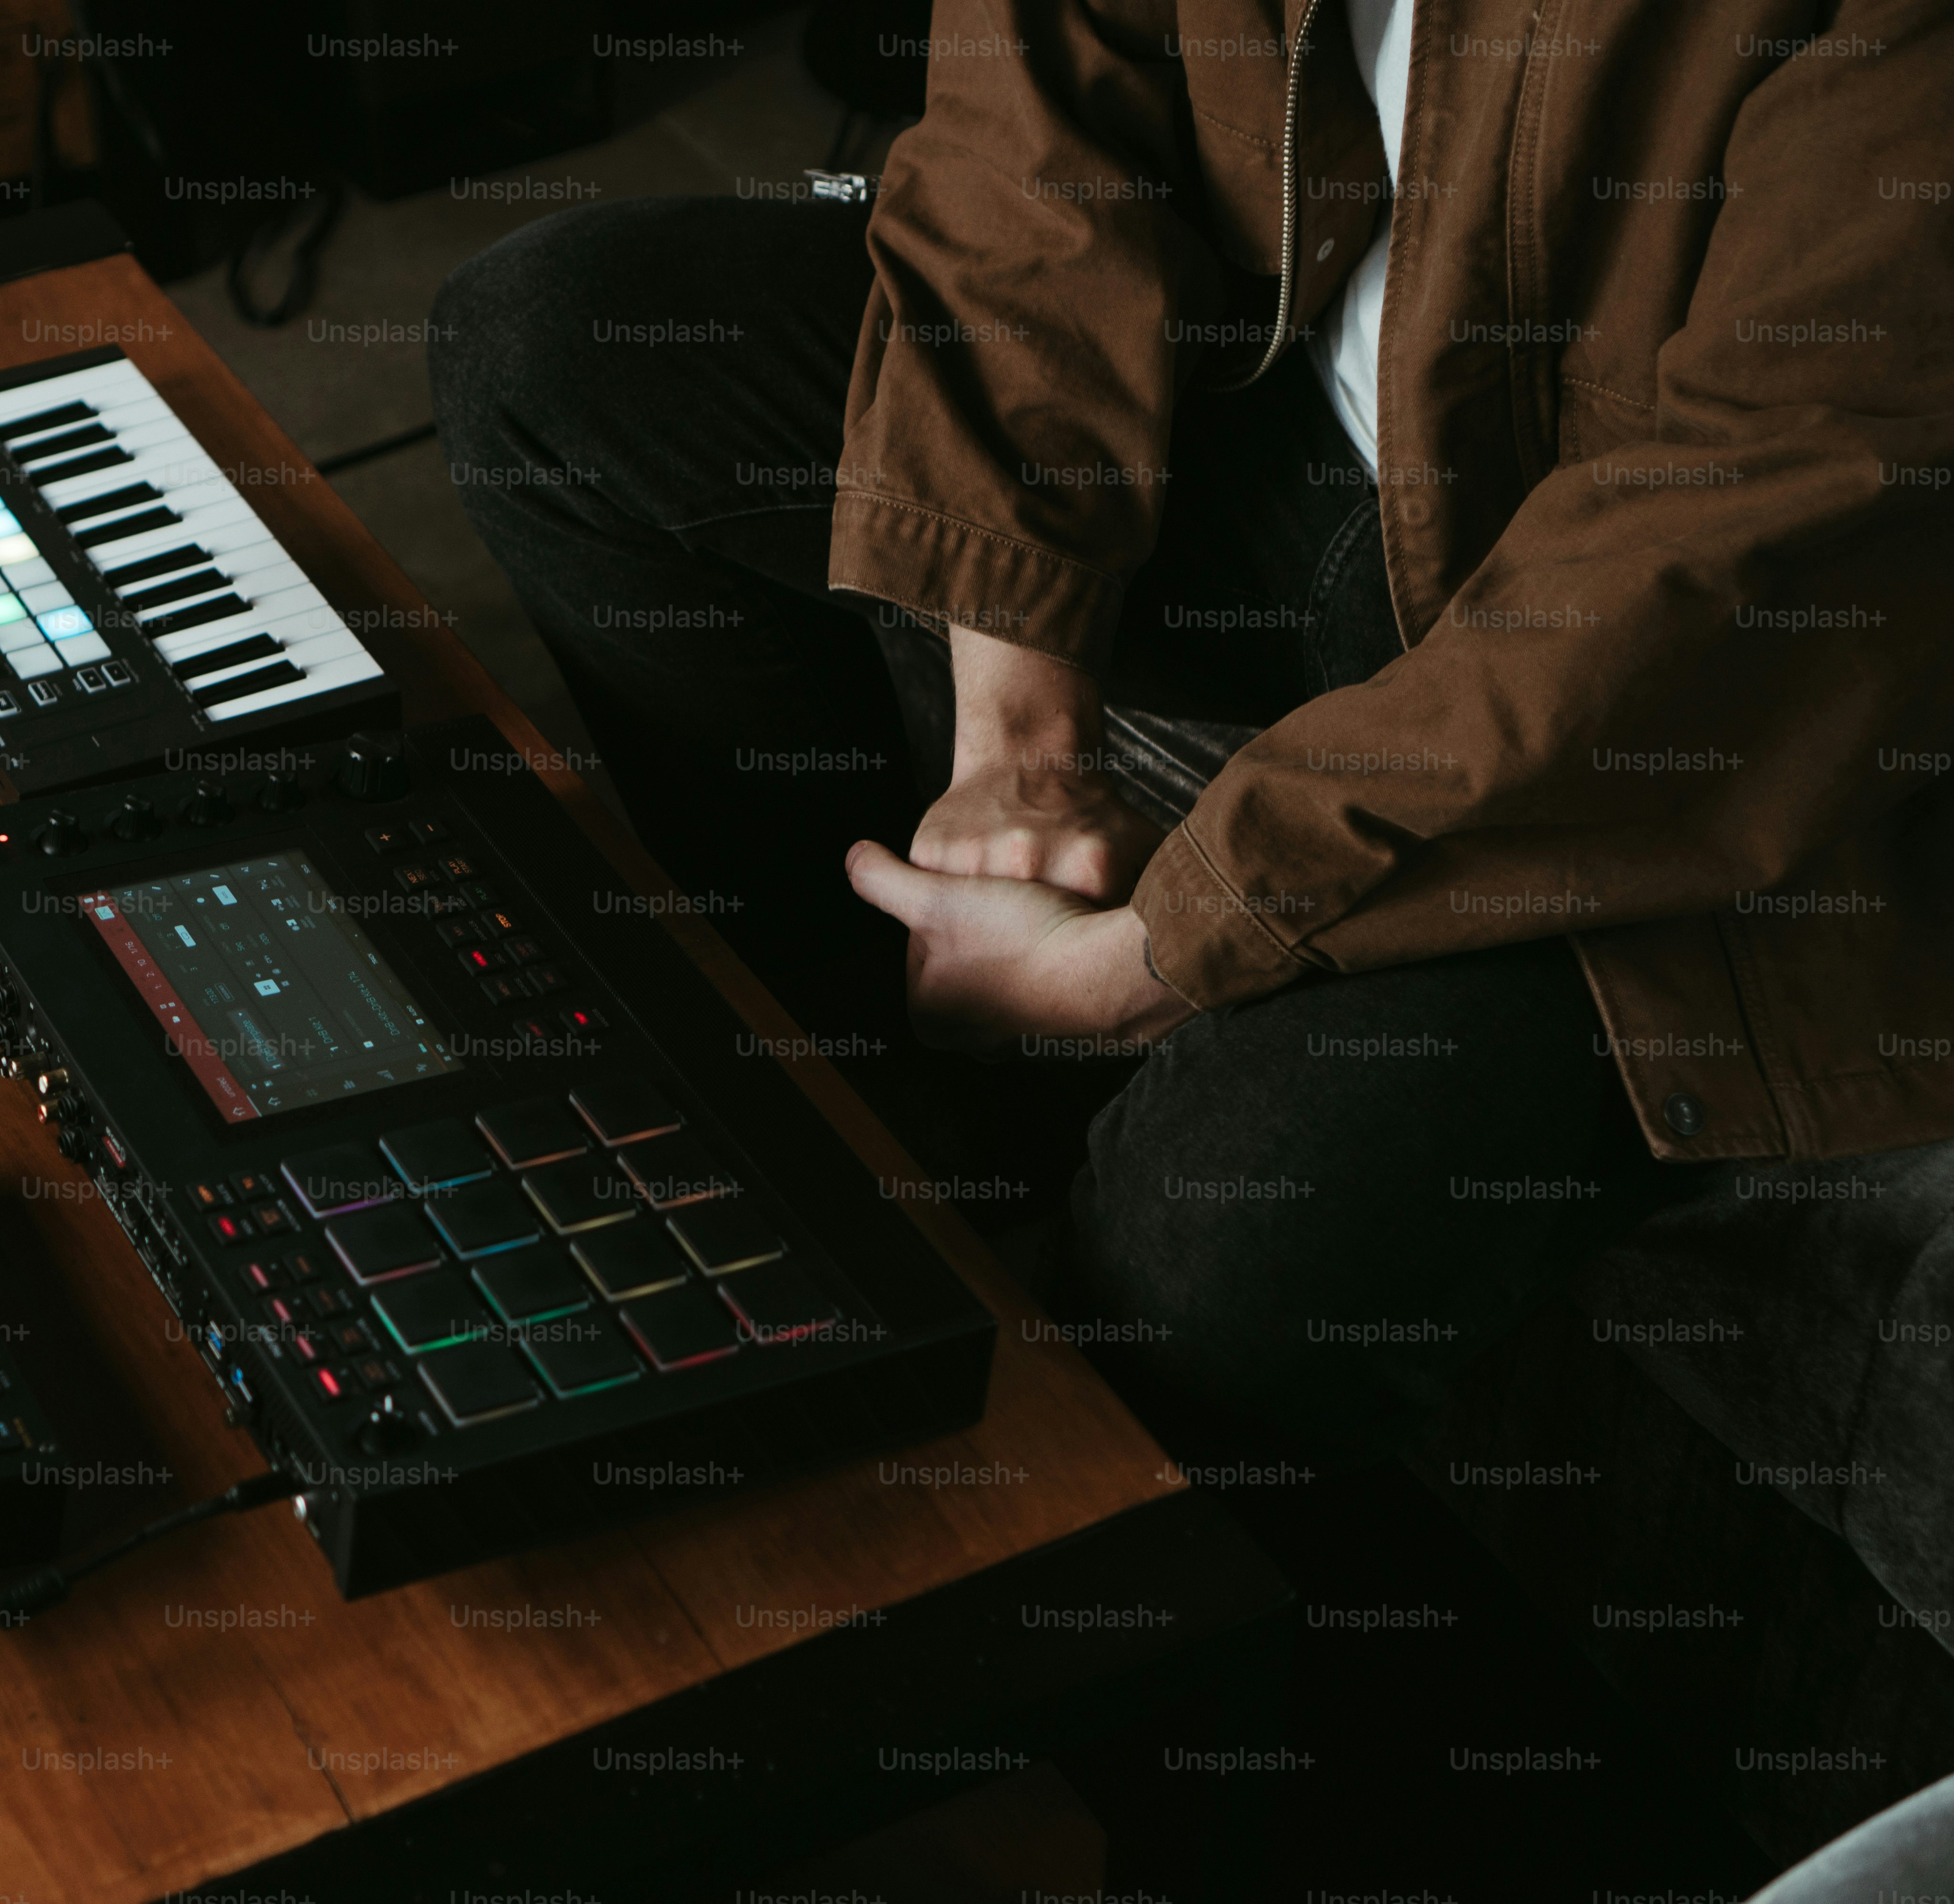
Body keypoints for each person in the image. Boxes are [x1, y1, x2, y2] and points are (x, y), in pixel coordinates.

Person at [429, 0, 1954, 1459]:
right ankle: (849, 1160)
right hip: (1321, 440)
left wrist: (1168, 947)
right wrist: (1015, 748)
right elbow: (1029, 152)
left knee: (1218, 1241)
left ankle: (1108, 1597)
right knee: (546, 348)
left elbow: (1734, 573)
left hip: (1730, 707)